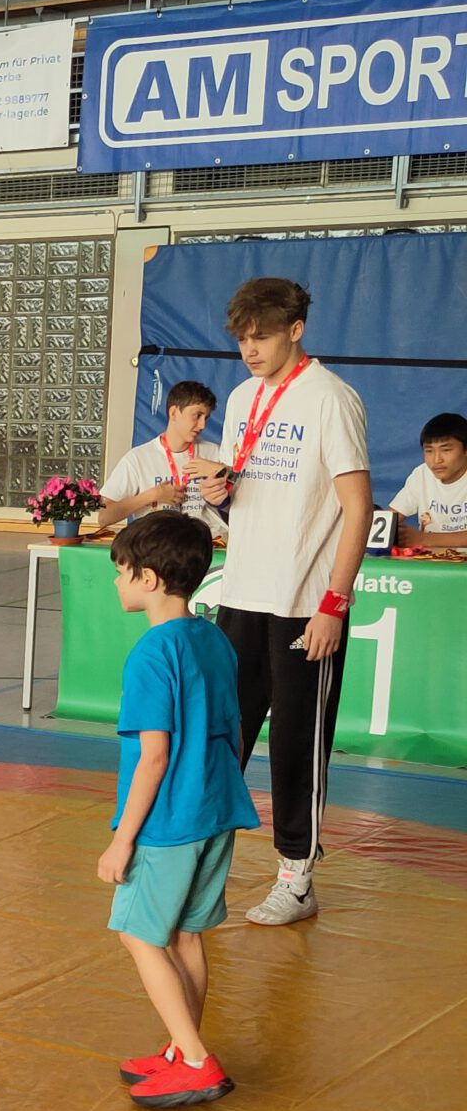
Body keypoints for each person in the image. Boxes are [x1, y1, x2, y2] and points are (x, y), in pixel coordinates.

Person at [189, 276, 371, 928]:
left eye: (262, 337)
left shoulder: (331, 399)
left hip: (304, 602)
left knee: (297, 742)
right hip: (243, 593)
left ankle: (297, 877)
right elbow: (250, 493)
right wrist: (221, 494)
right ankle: (203, 863)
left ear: (296, 330)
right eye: (242, 338)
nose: (250, 350)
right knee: (225, 733)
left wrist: (333, 603)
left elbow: (357, 508)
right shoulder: (242, 398)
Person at [97, 511, 259, 1110]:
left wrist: (122, 838)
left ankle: (194, 1060)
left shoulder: (150, 654)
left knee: (137, 935)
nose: (116, 582)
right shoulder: (214, 638)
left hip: (168, 822)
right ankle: (178, 1049)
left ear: (148, 578)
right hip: (216, 807)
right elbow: (235, 729)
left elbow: (154, 755)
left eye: (121, 571)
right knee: (187, 934)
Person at [90, 382, 222, 534]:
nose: (202, 425)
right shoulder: (138, 458)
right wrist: (153, 495)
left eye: (206, 418)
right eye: (197, 415)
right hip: (159, 544)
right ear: (174, 413)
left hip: (208, 542)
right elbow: (104, 517)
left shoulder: (213, 452)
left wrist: (220, 470)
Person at [389, 411, 467, 553]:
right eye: (429, 451)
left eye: (446, 450)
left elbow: (421, 539)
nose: (437, 460)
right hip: (428, 562)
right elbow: (389, 518)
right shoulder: (422, 474)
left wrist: (422, 538)